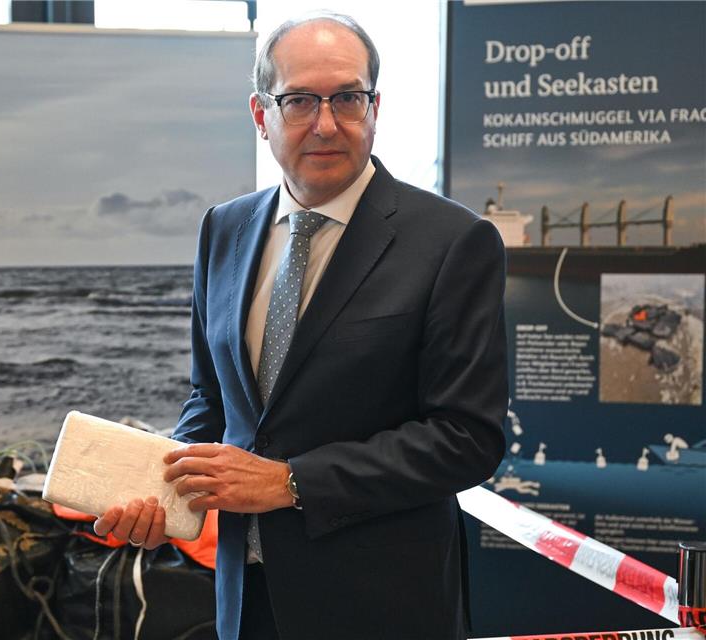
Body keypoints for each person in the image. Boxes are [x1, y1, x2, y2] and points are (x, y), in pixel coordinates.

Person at [94, 12, 507, 639]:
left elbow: (467, 439)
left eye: (347, 97)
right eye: (299, 101)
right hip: (244, 595)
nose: (326, 123)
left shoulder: (454, 241)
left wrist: (290, 483)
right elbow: (212, 396)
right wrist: (164, 489)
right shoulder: (223, 229)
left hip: (383, 604)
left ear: (374, 107)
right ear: (261, 115)